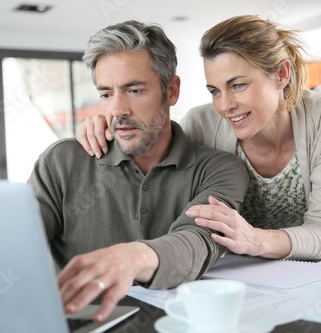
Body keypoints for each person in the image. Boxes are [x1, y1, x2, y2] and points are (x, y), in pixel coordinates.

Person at [76, 15, 321, 261]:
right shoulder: (201, 124)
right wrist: (112, 125)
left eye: (238, 85)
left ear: (281, 73)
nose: (225, 105)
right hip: (236, 268)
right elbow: (153, 157)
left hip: (316, 263)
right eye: (214, 91)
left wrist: (256, 240)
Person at [27, 20, 248, 322]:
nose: (118, 110)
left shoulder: (219, 170)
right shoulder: (61, 162)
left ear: (171, 91)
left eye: (133, 90)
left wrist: (133, 257)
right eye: (106, 94)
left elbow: (198, 242)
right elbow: (17, 245)